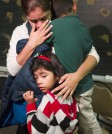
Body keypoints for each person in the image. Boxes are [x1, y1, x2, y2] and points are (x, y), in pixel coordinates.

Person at [4, 0, 100, 133]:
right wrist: (31, 43)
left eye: (43, 18)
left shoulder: (61, 25)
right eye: (33, 20)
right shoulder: (20, 32)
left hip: (61, 104)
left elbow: (94, 55)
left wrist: (76, 76)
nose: (39, 25)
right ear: (26, 17)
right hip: (33, 105)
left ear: (51, 11)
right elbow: (12, 69)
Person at [42, 0, 102, 134]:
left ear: (53, 11)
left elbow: (40, 40)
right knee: (86, 119)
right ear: (74, 7)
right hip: (86, 85)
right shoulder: (83, 27)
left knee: (87, 124)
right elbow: (89, 50)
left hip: (77, 88)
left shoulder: (53, 26)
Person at [23, 52, 78, 134]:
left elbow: (34, 131)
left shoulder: (48, 100)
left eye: (44, 76)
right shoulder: (70, 95)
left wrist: (31, 105)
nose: (38, 81)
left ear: (57, 75)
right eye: (36, 77)